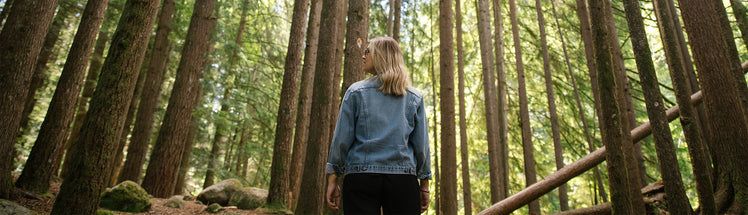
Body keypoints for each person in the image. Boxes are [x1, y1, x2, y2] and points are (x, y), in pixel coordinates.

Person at [325, 37, 431, 214]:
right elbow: (421, 147)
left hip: (361, 177)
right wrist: (424, 185)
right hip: (403, 179)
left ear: (381, 56)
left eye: (368, 52)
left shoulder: (355, 92)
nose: (363, 56)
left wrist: (333, 178)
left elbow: (341, 140)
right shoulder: (414, 97)